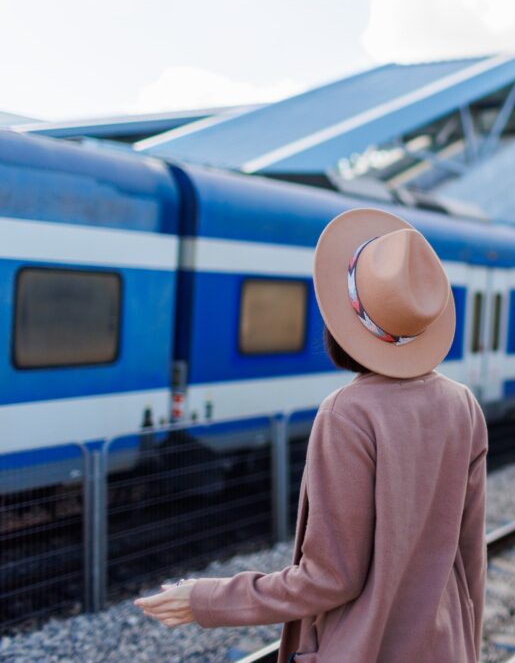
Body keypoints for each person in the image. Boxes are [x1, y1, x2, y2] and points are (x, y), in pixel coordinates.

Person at [135, 208, 488, 662]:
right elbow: (470, 557)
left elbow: (331, 578)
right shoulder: (462, 405)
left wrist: (204, 598)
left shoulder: (348, 414)